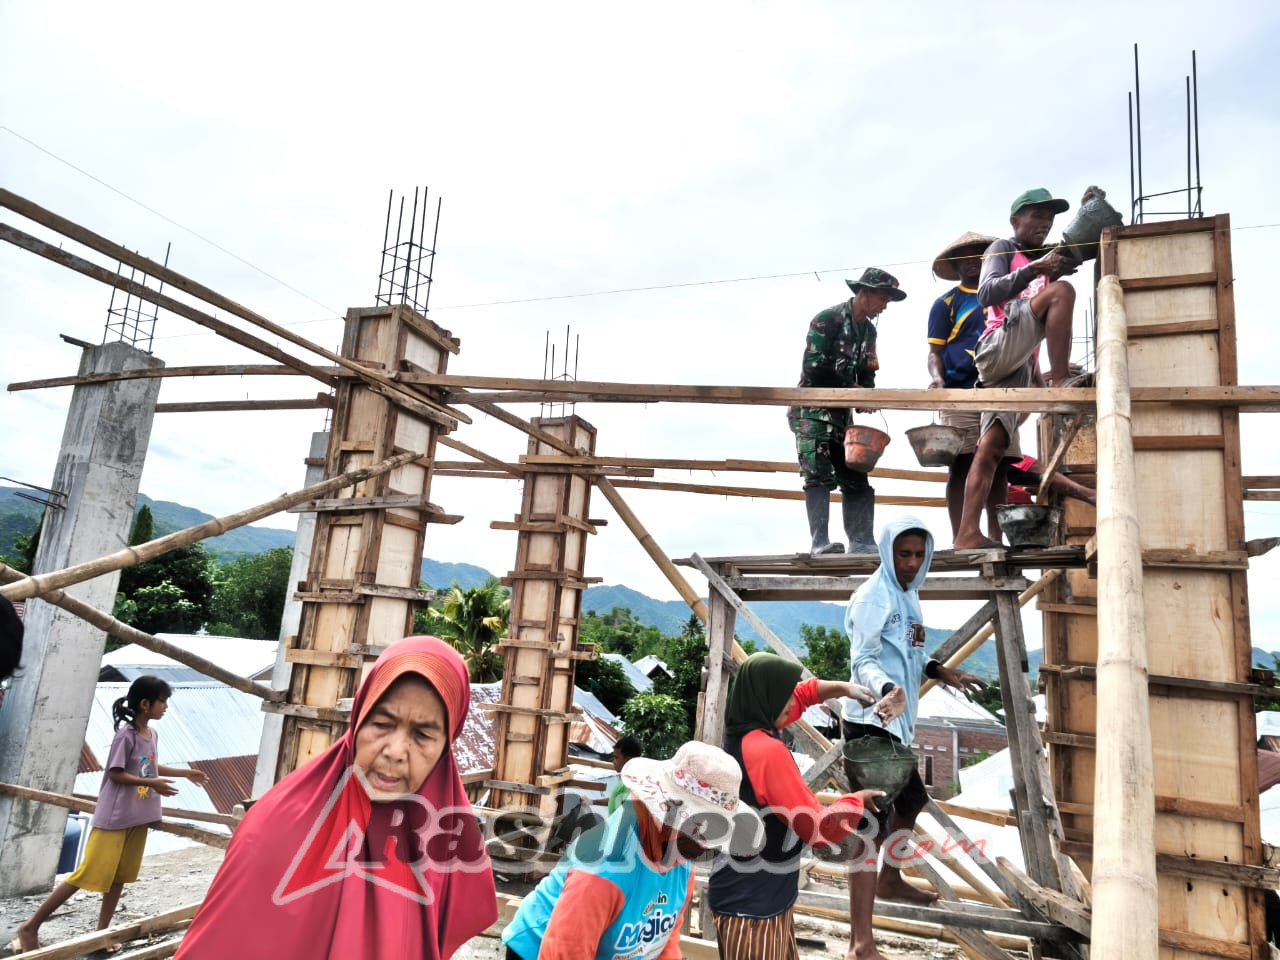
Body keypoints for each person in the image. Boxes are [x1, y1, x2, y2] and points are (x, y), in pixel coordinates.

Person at [174, 637, 497, 960]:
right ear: (358, 719)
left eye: (423, 734)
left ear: (447, 744)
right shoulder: (278, 830)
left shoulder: (440, 840)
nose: (396, 752)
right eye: (382, 724)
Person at [843, 517, 986, 960]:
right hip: (871, 722)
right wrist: (887, 689)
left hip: (895, 724)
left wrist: (939, 670)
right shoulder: (873, 597)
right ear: (887, 553)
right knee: (868, 828)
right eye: (903, 554)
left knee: (910, 802)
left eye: (919, 555)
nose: (911, 563)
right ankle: (860, 944)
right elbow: (863, 658)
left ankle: (889, 880)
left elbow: (912, 650)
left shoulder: (909, 596)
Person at [503, 740, 758, 960]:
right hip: (539, 948)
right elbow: (564, 952)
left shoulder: (684, 854)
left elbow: (665, 938)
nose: (707, 844)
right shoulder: (602, 869)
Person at [13, 676, 209, 954]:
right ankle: (30, 926)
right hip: (115, 818)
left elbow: (148, 767)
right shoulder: (125, 735)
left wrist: (184, 773)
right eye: (162, 701)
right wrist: (152, 783)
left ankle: (102, 934)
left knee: (120, 876)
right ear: (145, 704)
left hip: (138, 816)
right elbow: (116, 773)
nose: (165, 707)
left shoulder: (152, 735)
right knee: (85, 873)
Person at [708, 651, 883, 960]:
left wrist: (845, 689)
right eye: (783, 693)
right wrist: (857, 801)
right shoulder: (766, 751)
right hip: (753, 910)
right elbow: (818, 828)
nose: (791, 701)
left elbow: (802, 694)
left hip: (756, 895)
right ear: (767, 696)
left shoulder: (748, 726)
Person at [953, 188, 1079, 549]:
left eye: (1049, 219)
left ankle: (967, 534)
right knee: (1063, 292)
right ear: (1015, 220)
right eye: (1036, 216)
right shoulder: (1003, 249)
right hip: (995, 348)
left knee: (992, 449)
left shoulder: (1040, 266)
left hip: (1018, 362)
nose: (1044, 224)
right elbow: (986, 294)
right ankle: (1062, 379)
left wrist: (1036, 380)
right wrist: (1036, 269)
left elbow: (1035, 334)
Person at [788, 267, 907, 555]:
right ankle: (820, 543)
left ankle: (862, 541)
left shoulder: (869, 331)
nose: (884, 305)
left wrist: (866, 393)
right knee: (817, 474)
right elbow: (814, 367)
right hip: (812, 412)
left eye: (888, 300)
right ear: (863, 292)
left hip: (843, 419)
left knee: (856, 475)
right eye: (882, 297)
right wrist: (854, 389)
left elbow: (869, 370)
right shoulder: (827, 319)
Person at [926, 231, 1007, 541]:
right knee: (962, 463)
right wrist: (938, 379)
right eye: (965, 256)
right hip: (960, 390)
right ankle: (961, 534)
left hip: (999, 389)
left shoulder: (1002, 294)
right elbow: (935, 352)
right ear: (955, 265)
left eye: (979, 254)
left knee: (999, 463)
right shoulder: (946, 303)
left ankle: (996, 536)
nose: (973, 260)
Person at [1003, 455, 1096, 507]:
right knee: (1047, 478)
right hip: (1007, 467)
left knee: (1047, 477)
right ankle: (1090, 495)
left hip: (1012, 462)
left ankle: (1090, 495)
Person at [607, 734, 644, 814]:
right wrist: (593, 801)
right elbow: (615, 800)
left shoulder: (630, 783)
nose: (613, 761)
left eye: (616, 758)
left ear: (627, 760)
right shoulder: (624, 778)